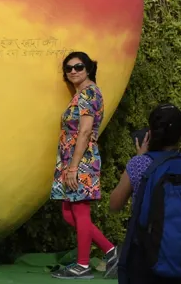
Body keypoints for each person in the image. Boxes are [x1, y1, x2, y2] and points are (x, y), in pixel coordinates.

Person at [110, 104, 181, 284]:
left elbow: (114, 204)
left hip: (146, 260)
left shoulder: (139, 165)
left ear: (150, 133)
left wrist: (139, 157)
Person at [50, 51, 119, 280]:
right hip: (71, 159)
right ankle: (111, 251)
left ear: (88, 69)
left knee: (79, 212)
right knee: (70, 213)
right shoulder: (79, 94)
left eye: (78, 66)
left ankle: (82, 265)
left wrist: (73, 167)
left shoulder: (89, 93)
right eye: (68, 68)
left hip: (81, 160)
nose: (73, 71)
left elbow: (85, 131)